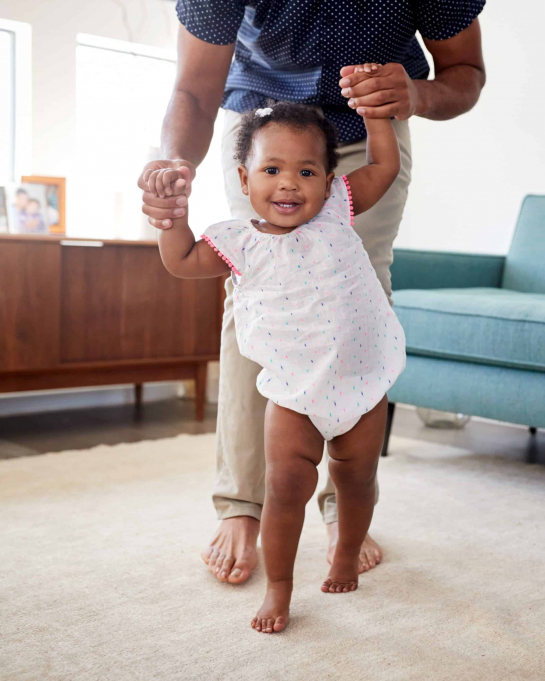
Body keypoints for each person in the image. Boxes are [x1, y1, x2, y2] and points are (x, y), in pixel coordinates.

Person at [138, 0, 486, 585]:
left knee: (359, 288)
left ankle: (342, 501)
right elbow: (195, 92)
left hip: (366, 132)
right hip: (263, 132)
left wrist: (412, 97)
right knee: (257, 291)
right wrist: (172, 175)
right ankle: (245, 503)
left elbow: (465, 73)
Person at [156, 97, 406, 632]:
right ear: (244, 180)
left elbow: (384, 166)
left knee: (357, 477)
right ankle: (280, 588)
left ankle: (346, 549)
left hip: (359, 382)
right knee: (286, 487)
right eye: (272, 170)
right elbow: (178, 261)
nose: (289, 183)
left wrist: (377, 118)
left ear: (328, 179)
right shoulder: (238, 242)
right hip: (293, 392)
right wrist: (171, 217)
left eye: (306, 171)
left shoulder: (340, 207)